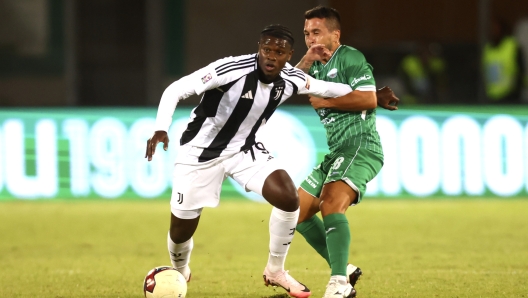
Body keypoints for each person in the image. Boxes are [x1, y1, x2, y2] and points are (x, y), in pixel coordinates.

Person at [145, 24, 358, 298]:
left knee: (288, 197)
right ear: (259, 49)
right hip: (200, 155)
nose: (271, 56)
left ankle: (275, 270)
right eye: (266, 49)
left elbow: (329, 88)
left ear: (288, 55)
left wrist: (374, 94)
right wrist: (161, 127)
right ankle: (179, 270)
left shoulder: (291, 78)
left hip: (244, 151)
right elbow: (176, 89)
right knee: (180, 231)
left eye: (278, 52)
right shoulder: (230, 69)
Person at [294, 6, 398, 298]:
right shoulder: (313, 64)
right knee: (295, 213)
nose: (310, 37)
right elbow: (284, 83)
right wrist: (306, 58)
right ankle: (345, 269)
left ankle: (339, 284)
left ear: (334, 34)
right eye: (306, 33)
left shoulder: (350, 57)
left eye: (316, 32)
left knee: (330, 204)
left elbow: (367, 98)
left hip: (361, 146)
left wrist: (328, 103)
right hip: (337, 150)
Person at [482, 16, 526, 103]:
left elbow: (521, 70)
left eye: (496, 28)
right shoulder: (487, 48)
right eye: (491, 29)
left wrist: (517, 90)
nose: (493, 31)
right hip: (491, 96)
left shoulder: (512, 45)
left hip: (510, 96)